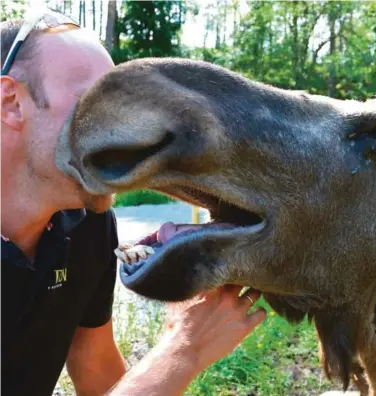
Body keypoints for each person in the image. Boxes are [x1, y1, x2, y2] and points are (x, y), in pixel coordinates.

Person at [1, 8, 267, 396]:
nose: (123, 128)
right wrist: (182, 351)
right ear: (10, 102)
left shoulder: (85, 222)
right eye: (92, 102)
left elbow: (95, 367)